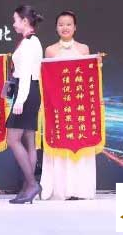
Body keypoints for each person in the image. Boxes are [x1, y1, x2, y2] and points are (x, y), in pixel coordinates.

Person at [40, 10, 97, 200]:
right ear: (56, 28)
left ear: (75, 27)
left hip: (79, 106)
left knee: (79, 142)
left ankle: (81, 189)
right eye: (61, 24)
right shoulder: (50, 51)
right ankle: (62, 189)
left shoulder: (84, 49)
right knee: (60, 143)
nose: (65, 27)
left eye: (68, 24)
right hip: (59, 106)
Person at [6, 5, 43, 204]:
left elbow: (27, 74)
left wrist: (20, 100)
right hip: (29, 91)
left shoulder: (29, 44)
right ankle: (27, 187)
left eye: (15, 20)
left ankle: (32, 184)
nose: (13, 24)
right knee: (28, 140)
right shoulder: (31, 41)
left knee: (13, 139)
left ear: (25, 21)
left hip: (26, 92)